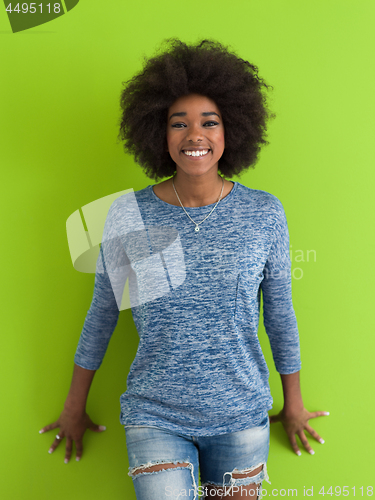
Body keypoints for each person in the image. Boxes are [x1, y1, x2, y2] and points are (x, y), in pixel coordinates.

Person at [40, 39, 328, 499]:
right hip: (155, 415)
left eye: (209, 122)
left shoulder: (264, 214)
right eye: (179, 123)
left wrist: (292, 402)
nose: (195, 135)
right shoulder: (129, 215)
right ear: (159, 133)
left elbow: (280, 315)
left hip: (241, 415)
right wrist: (75, 405)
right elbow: (101, 315)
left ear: (230, 129)